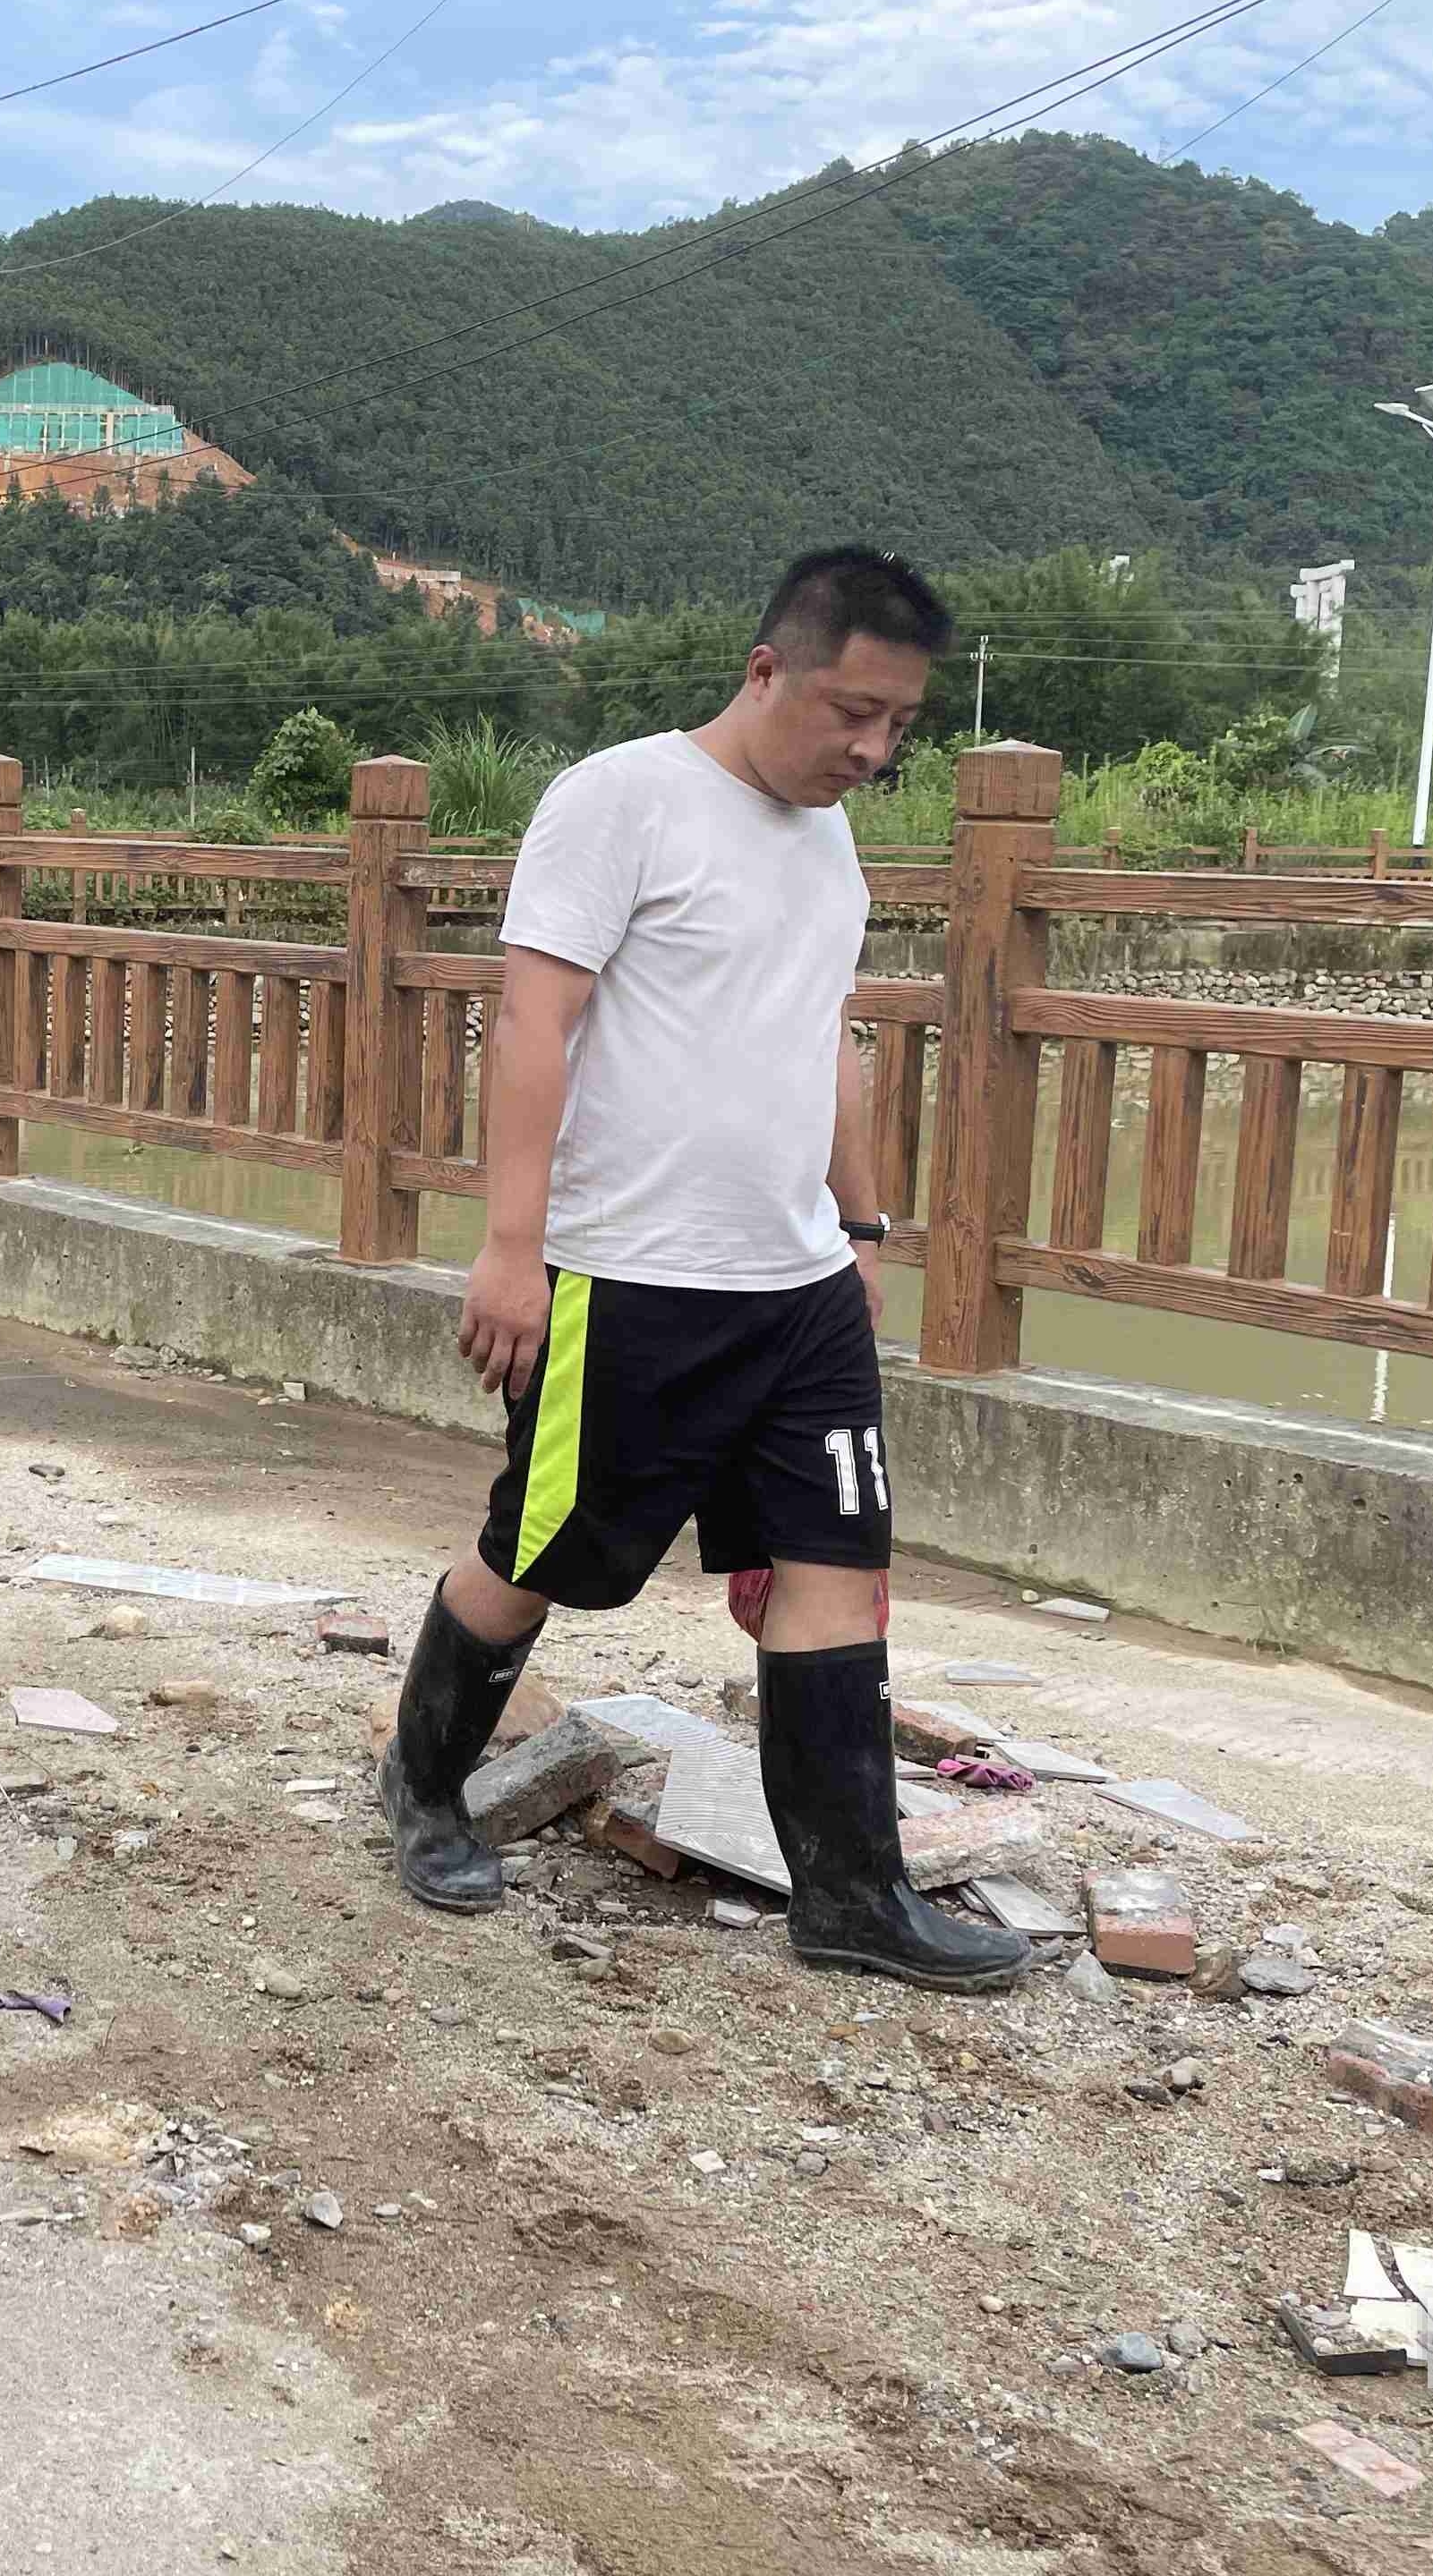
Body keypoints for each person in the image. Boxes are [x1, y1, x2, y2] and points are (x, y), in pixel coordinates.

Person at [377, 548, 1029, 1995]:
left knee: (839, 1566)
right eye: (852, 712)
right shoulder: (621, 801)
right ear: (765, 673)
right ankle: (421, 1788)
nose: (873, 749)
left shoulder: (830, 840)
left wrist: (859, 1236)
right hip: (628, 1279)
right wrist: (509, 1248)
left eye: (900, 726)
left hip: (793, 1289)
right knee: (542, 1550)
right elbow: (533, 1024)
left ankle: (852, 1895)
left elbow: (829, 1040)